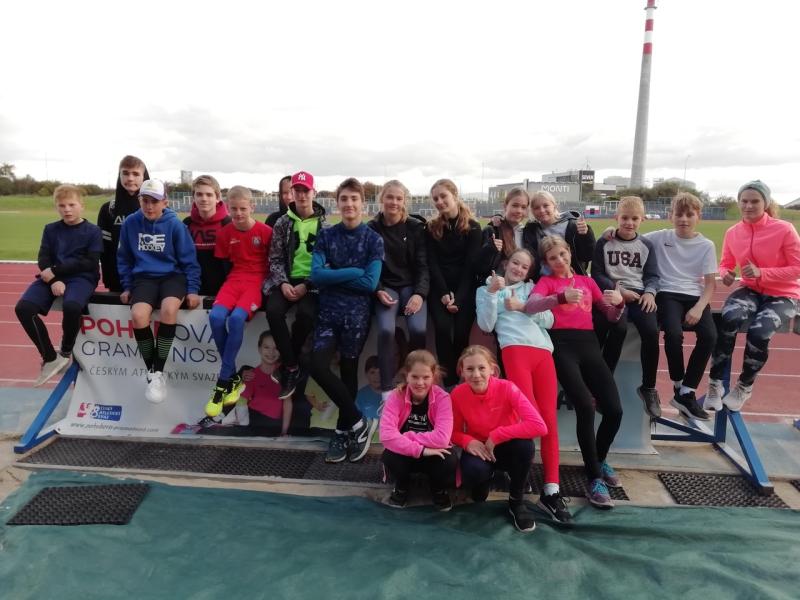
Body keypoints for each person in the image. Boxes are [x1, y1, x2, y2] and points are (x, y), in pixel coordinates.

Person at [524, 235, 624, 509]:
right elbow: (530, 306)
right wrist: (559, 298)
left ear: (569, 252)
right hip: (561, 347)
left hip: (589, 345)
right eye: (552, 258)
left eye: (562, 254)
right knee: (585, 406)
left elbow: (610, 315)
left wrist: (619, 304)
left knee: (614, 410)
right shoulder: (546, 282)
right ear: (546, 262)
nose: (559, 260)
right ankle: (594, 479)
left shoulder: (586, 281)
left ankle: (598, 460)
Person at [475, 249, 573, 525]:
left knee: (549, 422)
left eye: (524, 266)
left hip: (543, 353)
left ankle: (551, 490)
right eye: (515, 263)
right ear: (506, 264)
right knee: (530, 420)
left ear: (529, 271)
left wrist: (524, 307)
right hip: (514, 350)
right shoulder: (486, 289)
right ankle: (514, 480)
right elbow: (486, 324)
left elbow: (550, 320)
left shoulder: (532, 289)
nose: (518, 269)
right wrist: (493, 294)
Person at [704, 181, 800, 412]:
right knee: (728, 319)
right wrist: (726, 274)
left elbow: (797, 268)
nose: (748, 206)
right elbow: (725, 263)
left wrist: (762, 273)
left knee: (759, 332)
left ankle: (744, 385)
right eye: (744, 201)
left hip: (783, 293)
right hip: (751, 290)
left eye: (754, 201)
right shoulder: (733, 232)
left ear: (765, 203)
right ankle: (715, 383)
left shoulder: (784, 229)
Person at [308, 177, 384, 463]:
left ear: (363, 204)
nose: (349, 204)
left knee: (349, 372)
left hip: (356, 315)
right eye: (344, 199)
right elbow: (316, 276)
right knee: (317, 365)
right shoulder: (326, 236)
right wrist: (354, 271)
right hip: (327, 313)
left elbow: (370, 283)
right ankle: (358, 422)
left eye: (354, 199)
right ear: (337, 203)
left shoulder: (373, 240)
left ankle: (342, 432)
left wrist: (335, 274)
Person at [117, 179, 201, 403]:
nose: (149, 206)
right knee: (138, 315)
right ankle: (153, 373)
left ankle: (159, 371)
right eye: (145, 200)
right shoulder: (130, 223)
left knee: (169, 310)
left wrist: (193, 289)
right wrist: (127, 285)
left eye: (154, 201)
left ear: (165, 202)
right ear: (139, 201)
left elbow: (189, 261)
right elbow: (124, 258)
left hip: (172, 277)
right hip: (144, 278)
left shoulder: (175, 225)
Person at [450, 346, 547, 532]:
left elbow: (539, 426)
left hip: (506, 446)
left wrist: (497, 435)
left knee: (525, 447)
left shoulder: (507, 388)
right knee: (474, 477)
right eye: (469, 369)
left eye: (482, 368)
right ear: (461, 372)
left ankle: (516, 501)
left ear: (492, 370)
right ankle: (485, 478)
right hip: (481, 448)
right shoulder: (457, 394)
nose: (476, 375)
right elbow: (452, 432)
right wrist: (467, 441)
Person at [16, 185, 102, 386]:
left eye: (71, 205)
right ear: (56, 207)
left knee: (72, 306)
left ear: (81, 206)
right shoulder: (51, 229)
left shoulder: (93, 231)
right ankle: (50, 357)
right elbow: (43, 258)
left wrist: (56, 271)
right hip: (52, 277)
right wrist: (54, 280)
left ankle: (65, 351)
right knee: (23, 308)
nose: (67, 209)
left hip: (82, 277)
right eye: (62, 206)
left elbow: (90, 262)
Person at [645, 193, 717, 420]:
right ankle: (678, 385)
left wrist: (699, 308)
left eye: (689, 215)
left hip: (694, 296)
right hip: (667, 294)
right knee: (673, 334)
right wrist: (610, 231)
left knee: (710, 336)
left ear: (698, 217)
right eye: (679, 214)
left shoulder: (706, 245)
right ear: (671, 216)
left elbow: (710, 284)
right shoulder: (660, 237)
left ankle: (687, 391)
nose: (684, 219)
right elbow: (631, 237)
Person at [206, 186, 272, 417]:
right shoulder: (225, 233)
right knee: (215, 318)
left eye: (243, 208)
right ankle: (234, 378)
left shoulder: (265, 232)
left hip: (256, 282)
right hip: (234, 281)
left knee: (235, 320)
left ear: (252, 207)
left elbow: (273, 264)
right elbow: (225, 264)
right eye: (233, 209)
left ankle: (222, 382)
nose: (238, 213)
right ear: (227, 208)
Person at [592, 196, 661, 418]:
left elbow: (652, 275)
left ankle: (648, 387)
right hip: (613, 293)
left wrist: (650, 292)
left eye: (634, 219)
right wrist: (618, 290)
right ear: (616, 217)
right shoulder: (604, 242)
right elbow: (597, 273)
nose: (629, 223)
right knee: (617, 328)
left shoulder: (646, 245)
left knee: (651, 331)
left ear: (642, 220)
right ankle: (603, 386)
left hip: (639, 294)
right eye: (624, 218)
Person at [264, 170, 327, 400]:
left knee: (306, 315)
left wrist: (307, 285)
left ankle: (289, 363)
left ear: (314, 192)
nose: (301, 195)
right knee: (273, 311)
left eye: (305, 190)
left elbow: (327, 262)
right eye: (297, 190)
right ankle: (291, 366)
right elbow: (275, 258)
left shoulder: (325, 225)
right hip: (287, 280)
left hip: (312, 283)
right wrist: (282, 283)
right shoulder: (283, 222)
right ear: (292, 193)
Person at [368, 180, 429, 399]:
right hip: (386, 287)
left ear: (404, 202)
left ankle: (414, 383)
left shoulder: (415, 227)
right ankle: (387, 391)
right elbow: (369, 264)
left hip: (411, 286)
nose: (393, 202)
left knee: (418, 330)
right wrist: (377, 289)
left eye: (398, 198)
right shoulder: (372, 228)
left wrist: (419, 294)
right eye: (389, 197)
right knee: (386, 330)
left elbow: (423, 265)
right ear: (381, 199)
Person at [380, 350, 456, 510]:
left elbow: (442, 438)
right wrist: (421, 450)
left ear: (433, 376)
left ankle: (438, 488)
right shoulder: (396, 396)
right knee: (389, 455)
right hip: (408, 452)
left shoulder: (443, 398)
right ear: (406, 375)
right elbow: (386, 436)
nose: (420, 382)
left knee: (449, 459)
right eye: (414, 377)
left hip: (432, 453)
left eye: (426, 377)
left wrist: (405, 436)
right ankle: (402, 486)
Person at [426, 179, 482, 387]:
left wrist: (458, 297)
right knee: (442, 329)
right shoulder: (432, 227)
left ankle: (462, 379)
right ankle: (448, 383)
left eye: (443, 196)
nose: (440, 201)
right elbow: (432, 263)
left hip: (465, 289)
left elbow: (470, 266)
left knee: (460, 333)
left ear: (455, 196)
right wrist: (443, 292)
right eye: (436, 199)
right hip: (439, 288)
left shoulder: (473, 227)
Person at [97, 155, 150, 292]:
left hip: (150, 279)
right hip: (118, 278)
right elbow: (104, 249)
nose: (130, 178)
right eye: (125, 173)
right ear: (119, 176)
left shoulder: (156, 208)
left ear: (144, 177)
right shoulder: (109, 209)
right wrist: (109, 278)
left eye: (136, 174)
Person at [522, 190, 594, 280]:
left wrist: (586, 235)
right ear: (532, 211)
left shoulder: (573, 226)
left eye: (546, 205)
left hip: (572, 278)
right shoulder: (531, 230)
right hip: (544, 280)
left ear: (554, 206)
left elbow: (588, 256)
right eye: (536, 208)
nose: (542, 210)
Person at [183, 174, 231, 296]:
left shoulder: (228, 224)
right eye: (199, 194)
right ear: (193, 197)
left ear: (217, 198)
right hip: (194, 288)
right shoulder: (187, 224)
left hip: (223, 288)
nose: (204, 199)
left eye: (209, 195)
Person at [476, 187, 530, 279]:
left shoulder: (528, 233)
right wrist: (489, 249)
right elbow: (478, 267)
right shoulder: (492, 230)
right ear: (505, 206)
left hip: (520, 287)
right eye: (515, 205)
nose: (519, 211)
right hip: (493, 286)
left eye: (523, 207)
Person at [355, 356, 383, 422]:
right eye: (372, 372)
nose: (377, 376)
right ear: (366, 374)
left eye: (380, 372)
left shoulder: (393, 393)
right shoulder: (360, 395)